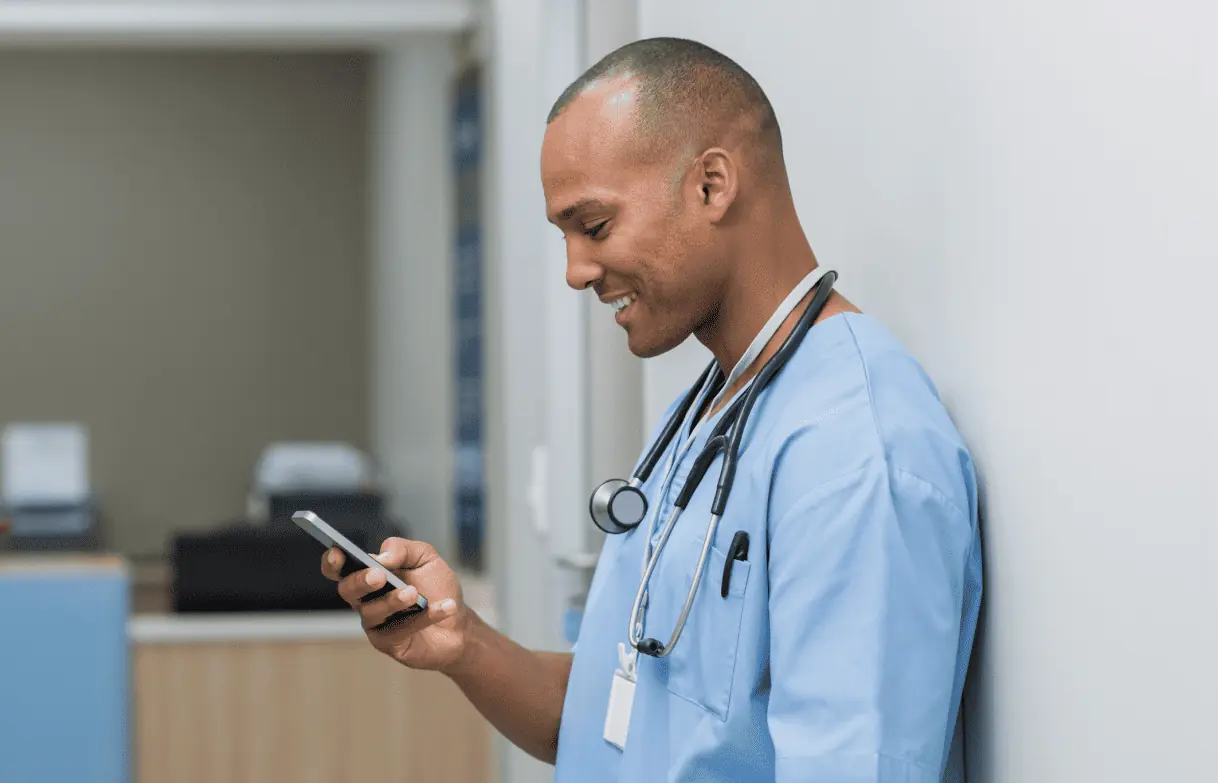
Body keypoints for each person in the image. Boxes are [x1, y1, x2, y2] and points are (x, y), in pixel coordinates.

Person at [322, 37, 983, 782]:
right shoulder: (707, 415)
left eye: (594, 227)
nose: (576, 272)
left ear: (711, 186)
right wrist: (462, 640)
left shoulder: (854, 453)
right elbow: (621, 724)